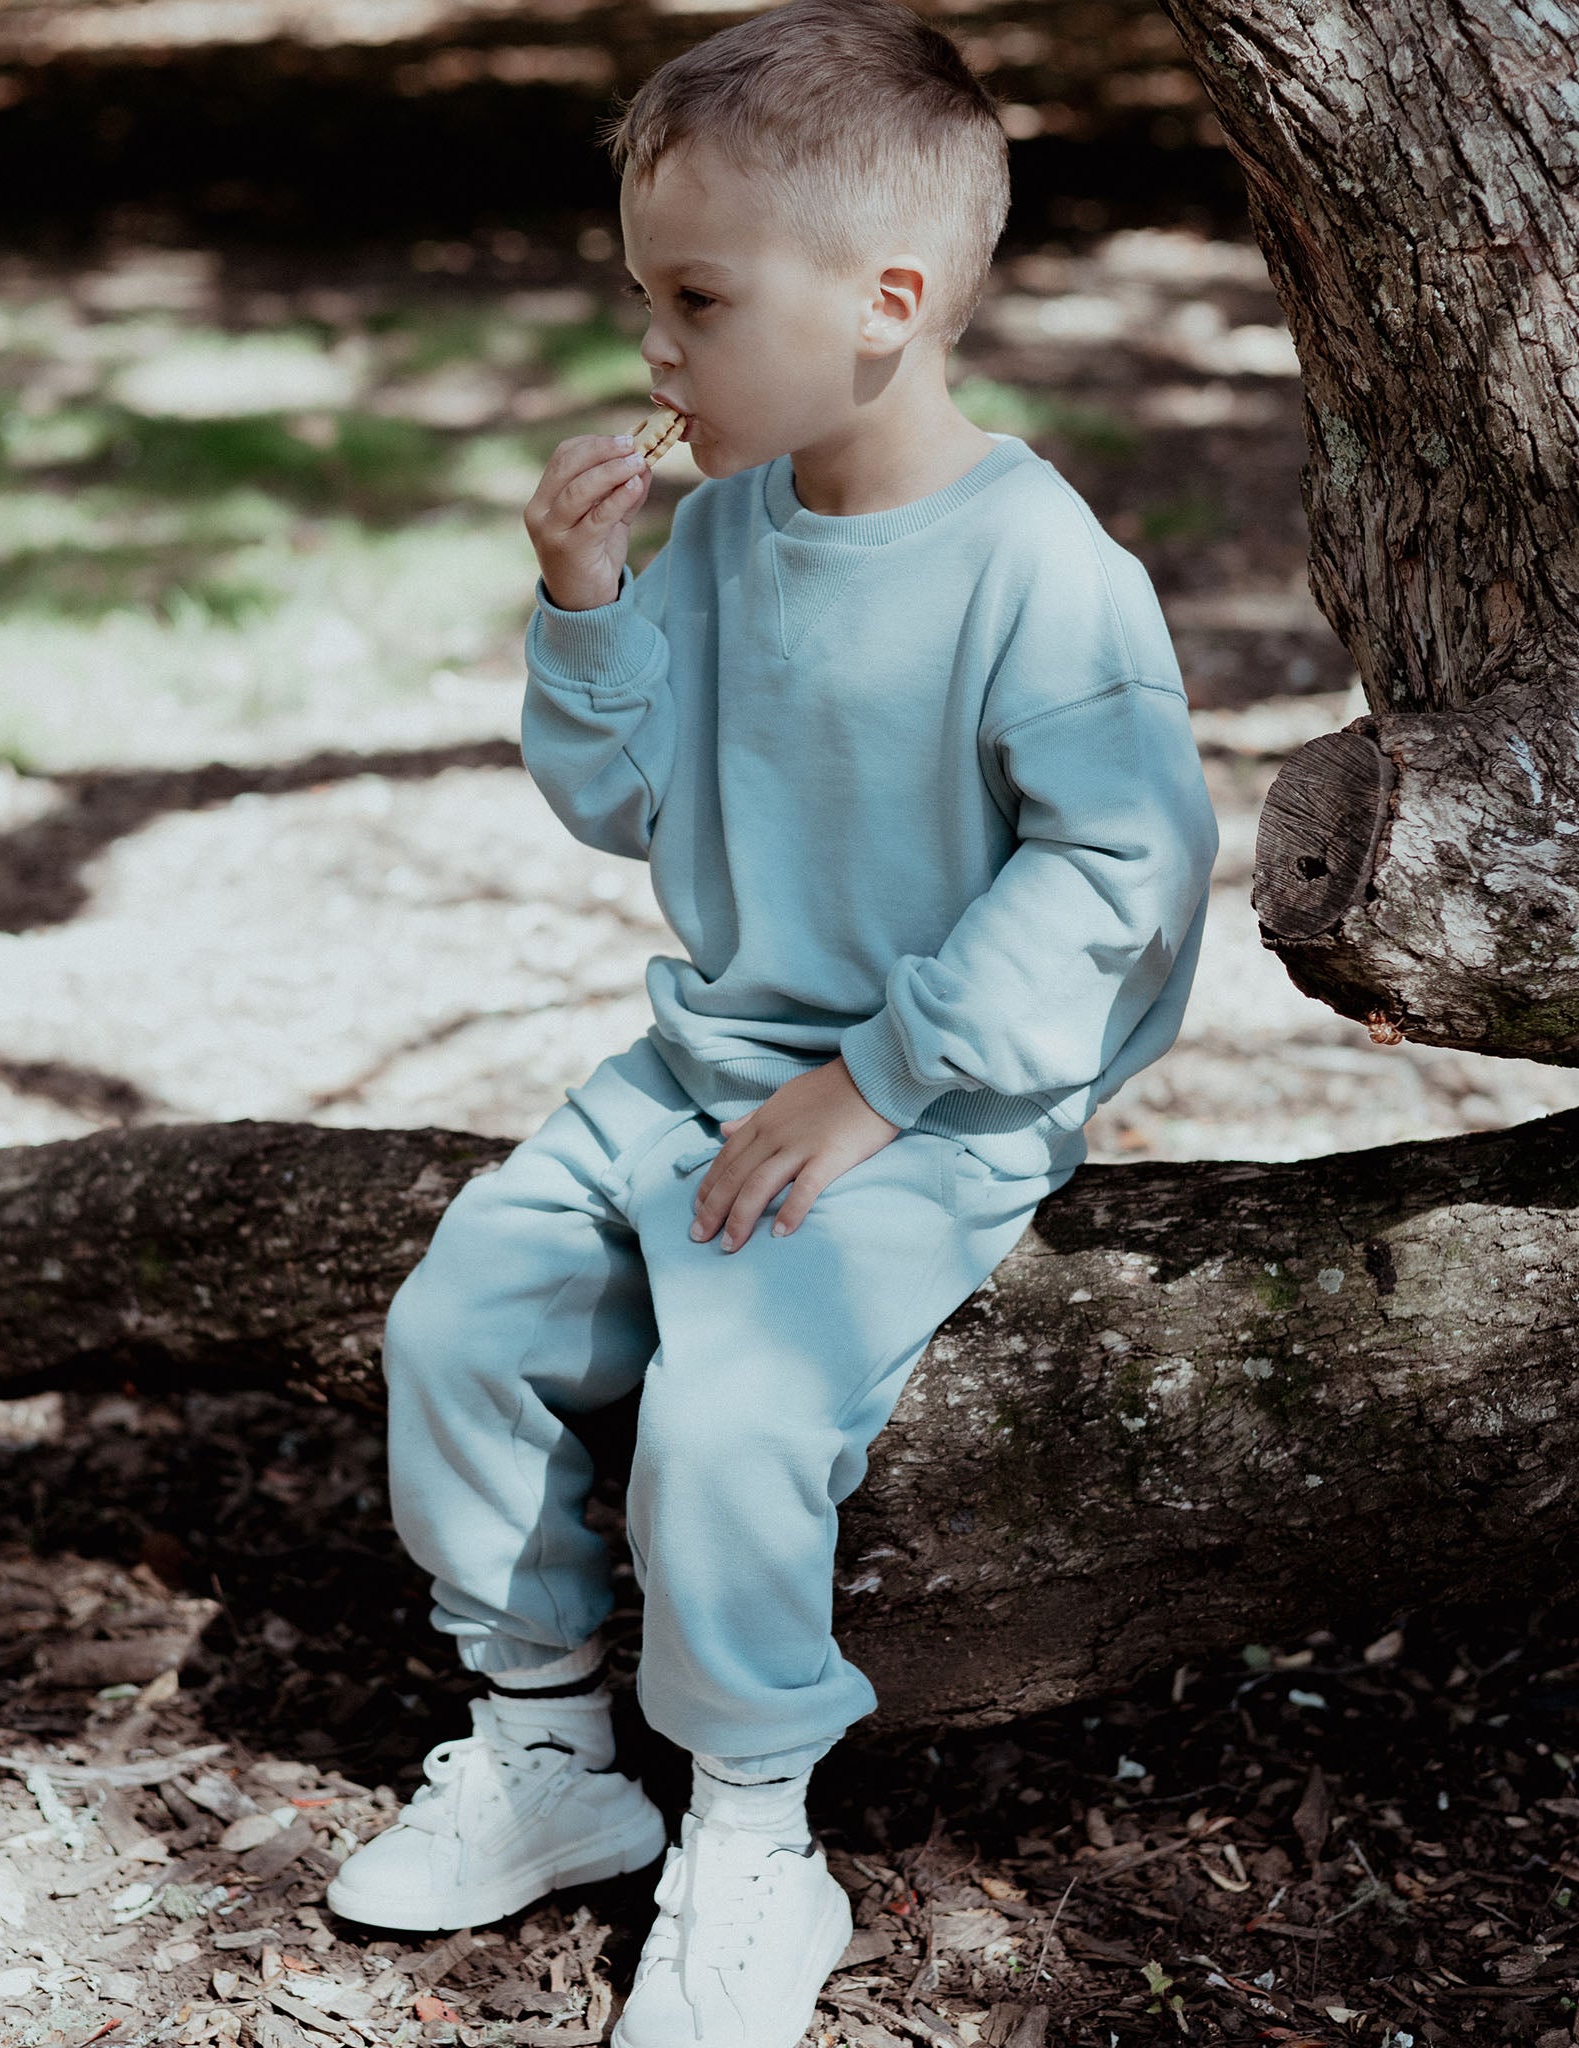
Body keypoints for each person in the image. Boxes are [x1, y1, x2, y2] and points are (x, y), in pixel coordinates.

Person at [327, 0, 1218, 2038]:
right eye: (646, 295)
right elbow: (619, 804)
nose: (654, 349)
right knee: (459, 1319)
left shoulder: (1038, 570)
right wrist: (582, 609)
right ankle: (544, 1748)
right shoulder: (723, 531)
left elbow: (1120, 872)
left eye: (697, 298)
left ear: (886, 299)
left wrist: (878, 1080)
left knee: (725, 1418)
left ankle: (752, 1827)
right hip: (700, 1059)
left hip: (922, 1103)